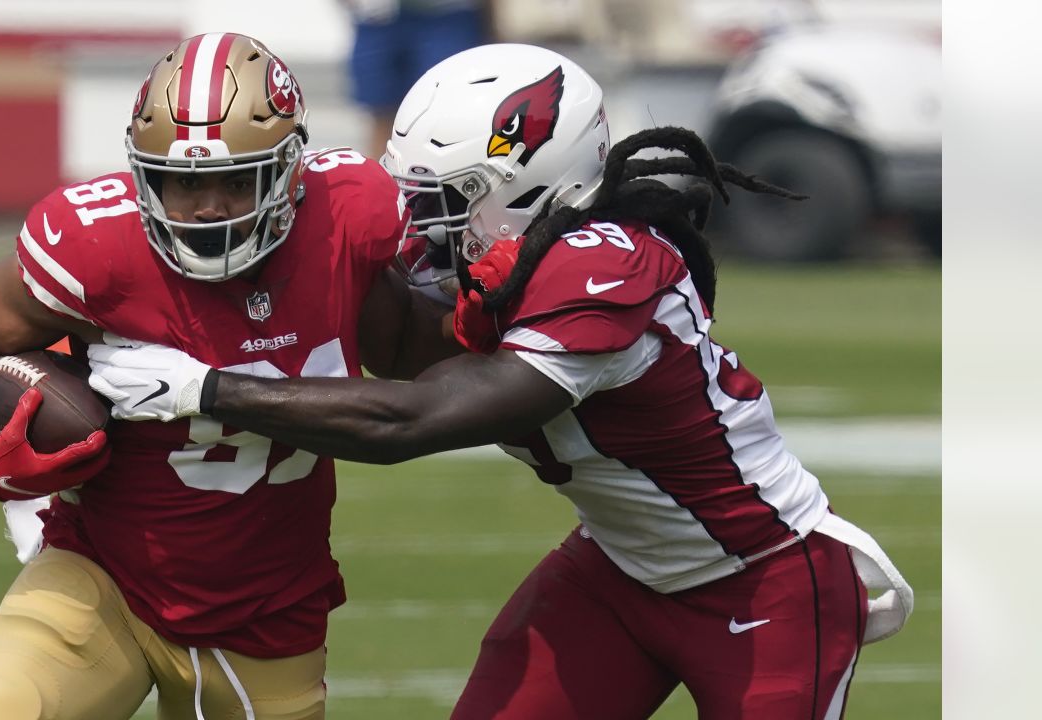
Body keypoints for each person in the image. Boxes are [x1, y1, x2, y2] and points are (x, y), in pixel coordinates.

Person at [87, 44, 914, 719]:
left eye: (442, 200)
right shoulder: (511, 263)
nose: (415, 224)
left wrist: (208, 389)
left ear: (526, 189)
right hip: (620, 571)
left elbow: (416, 420)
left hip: (764, 580)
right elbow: (397, 344)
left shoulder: (606, 265)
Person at [0, 32, 455, 720]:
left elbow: (408, 352)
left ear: (292, 172)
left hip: (267, 617)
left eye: (237, 180)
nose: (208, 208)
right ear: (145, 175)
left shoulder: (350, 214)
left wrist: (490, 318)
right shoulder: (97, 245)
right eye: (186, 182)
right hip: (100, 575)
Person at [340, 0, 492, 159]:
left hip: (447, 13)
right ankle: (382, 180)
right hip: (378, 14)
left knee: (448, 109)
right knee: (381, 113)